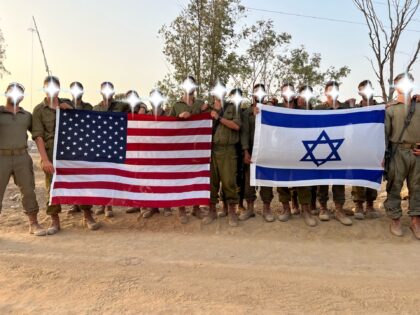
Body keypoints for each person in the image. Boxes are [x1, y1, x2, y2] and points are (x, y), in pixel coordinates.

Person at [32, 76, 100, 234]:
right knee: (52, 186)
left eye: (55, 87)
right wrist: (44, 159)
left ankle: (87, 214)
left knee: (80, 181)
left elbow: (82, 124)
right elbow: (38, 136)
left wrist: (68, 110)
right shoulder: (38, 110)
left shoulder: (67, 103)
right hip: (51, 152)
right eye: (48, 87)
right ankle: (55, 219)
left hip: (71, 150)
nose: (52, 90)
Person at [0, 83, 46, 236]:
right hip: (2, 157)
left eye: (19, 93)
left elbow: (38, 134)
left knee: (28, 190)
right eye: (11, 91)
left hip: (22, 157)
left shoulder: (27, 116)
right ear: (6, 93)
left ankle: (33, 223)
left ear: (22, 97)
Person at [275, 83, 317, 227]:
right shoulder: (275, 109)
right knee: (282, 181)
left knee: (303, 180)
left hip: (301, 149)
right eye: (284, 91)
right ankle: (286, 209)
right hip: (281, 149)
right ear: (281, 94)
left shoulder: (303, 109)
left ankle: (306, 210)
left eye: (290, 91)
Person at [384, 73, 420, 239]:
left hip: (417, 152)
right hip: (398, 152)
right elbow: (385, 135)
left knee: (417, 187)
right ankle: (395, 219)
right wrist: (383, 156)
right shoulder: (390, 109)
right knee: (394, 185)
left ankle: (415, 220)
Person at [168, 76, 207, 224]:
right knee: (181, 177)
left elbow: (208, 118)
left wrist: (203, 110)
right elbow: (168, 125)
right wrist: (178, 116)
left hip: (197, 147)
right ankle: (182, 209)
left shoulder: (200, 104)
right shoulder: (176, 105)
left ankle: (196, 208)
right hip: (181, 148)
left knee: (196, 176)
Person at [202, 86, 241, 227]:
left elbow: (236, 126)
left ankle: (232, 212)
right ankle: (212, 210)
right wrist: (209, 111)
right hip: (211, 150)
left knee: (229, 181)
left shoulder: (233, 108)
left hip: (227, 150)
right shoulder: (207, 109)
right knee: (212, 182)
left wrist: (219, 117)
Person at [315, 81, 352, 226]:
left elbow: (357, 122)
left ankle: (338, 209)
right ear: (325, 93)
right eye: (329, 90)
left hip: (340, 148)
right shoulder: (318, 108)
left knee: (338, 180)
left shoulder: (346, 108)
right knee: (322, 180)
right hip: (322, 148)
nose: (332, 93)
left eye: (335, 90)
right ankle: (323, 208)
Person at [92, 82, 130, 218]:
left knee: (111, 175)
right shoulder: (95, 108)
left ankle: (109, 206)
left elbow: (135, 110)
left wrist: (142, 106)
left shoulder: (121, 106)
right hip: (99, 146)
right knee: (100, 176)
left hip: (114, 144)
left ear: (113, 92)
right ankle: (102, 204)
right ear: (101, 92)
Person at [239, 84, 275, 222]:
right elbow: (244, 133)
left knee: (266, 180)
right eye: (256, 92)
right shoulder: (247, 112)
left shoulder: (271, 110)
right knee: (249, 181)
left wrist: (270, 107)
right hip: (252, 150)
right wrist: (245, 151)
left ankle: (267, 209)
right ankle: (250, 209)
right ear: (252, 94)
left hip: (267, 150)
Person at [351, 80, 380, 220]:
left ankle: (370, 204)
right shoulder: (354, 108)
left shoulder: (380, 107)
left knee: (372, 175)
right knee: (358, 176)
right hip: (358, 148)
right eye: (363, 89)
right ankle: (358, 205)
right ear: (359, 92)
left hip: (375, 148)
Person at [65, 81, 94, 215]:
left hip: (85, 146)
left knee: (84, 178)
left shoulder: (88, 107)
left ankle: (87, 211)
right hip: (69, 146)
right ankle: (74, 204)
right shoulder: (64, 104)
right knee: (72, 177)